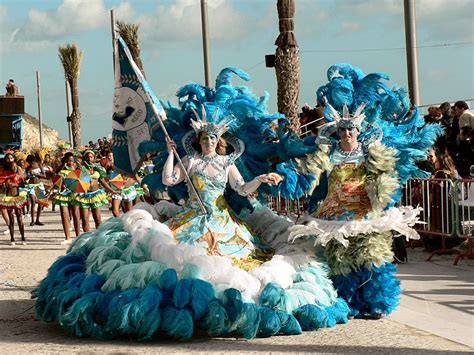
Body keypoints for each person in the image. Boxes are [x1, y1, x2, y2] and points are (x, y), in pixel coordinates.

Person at [34, 67, 352, 341]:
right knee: (180, 255)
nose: (209, 142)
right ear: (198, 139)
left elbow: (240, 188)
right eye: (204, 138)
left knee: (240, 256)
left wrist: (262, 181)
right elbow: (171, 182)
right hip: (190, 216)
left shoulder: (227, 162)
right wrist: (173, 154)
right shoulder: (191, 161)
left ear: (220, 140)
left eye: (213, 138)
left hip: (222, 220)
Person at [75, 150, 110, 232]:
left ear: (94, 158)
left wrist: (112, 190)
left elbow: (103, 181)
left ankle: (98, 237)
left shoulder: (98, 168)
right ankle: (86, 238)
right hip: (84, 195)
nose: (89, 159)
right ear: (84, 158)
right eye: (87, 157)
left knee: (97, 218)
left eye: (91, 157)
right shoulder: (80, 168)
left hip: (95, 195)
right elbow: (75, 180)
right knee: (84, 218)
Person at [52, 152, 81, 244]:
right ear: (64, 161)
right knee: (64, 215)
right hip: (63, 194)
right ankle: (68, 237)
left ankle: (78, 236)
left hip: (75, 193)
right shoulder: (61, 171)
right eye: (68, 161)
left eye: (72, 161)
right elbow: (56, 180)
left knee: (76, 215)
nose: (70, 163)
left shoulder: (78, 170)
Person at [0, 153, 27, 245]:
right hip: (7, 196)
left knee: (19, 216)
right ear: (6, 160)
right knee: (11, 218)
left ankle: (23, 238)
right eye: (8, 158)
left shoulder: (18, 169)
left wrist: (15, 184)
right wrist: (4, 185)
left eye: (11, 158)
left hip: (17, 195)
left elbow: (22, 183)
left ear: (14, 159)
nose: (10, 159)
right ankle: (12, 238)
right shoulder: (3, 170)